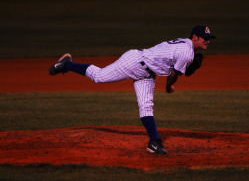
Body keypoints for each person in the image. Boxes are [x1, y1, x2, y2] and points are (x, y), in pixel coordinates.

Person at [49, 25, 216, 155]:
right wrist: (169, 87)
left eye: (209, 38)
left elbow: (171, 64)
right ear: (195, 37)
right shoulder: (187, 53)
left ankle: (154, 142)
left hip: (147, 73)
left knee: (146, 106)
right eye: (205, 38)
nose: (208, 40)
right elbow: (173, 74)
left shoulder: (185, 44)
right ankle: (67, 64)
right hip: (135, 62)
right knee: (99, 76)